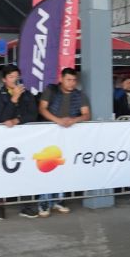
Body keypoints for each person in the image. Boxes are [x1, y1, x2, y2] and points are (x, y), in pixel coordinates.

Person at [36, 68, 90, 217]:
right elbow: (42, 109)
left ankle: (58, 200)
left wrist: (74, 120)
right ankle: (44, 202)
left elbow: (86, 114)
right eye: (68, 80)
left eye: (74, 80)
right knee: (48, 168)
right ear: (61, 79)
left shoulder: (79, 95)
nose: (72, 83)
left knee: (64, 168)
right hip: (49, 136)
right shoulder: (51, 90)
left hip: (68, 138)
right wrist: (58, 120)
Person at [0, 65, 40, 221]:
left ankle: (26, 205)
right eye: (11, 77)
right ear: (4, 79)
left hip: (24, 138)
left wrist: (17, 120)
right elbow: (3, 116)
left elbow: (33, 114)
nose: (14, 80)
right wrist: (14, 99)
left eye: (16, 77)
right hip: (3, 140)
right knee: (0, 172)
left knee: (25, 169)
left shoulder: (27, 94)